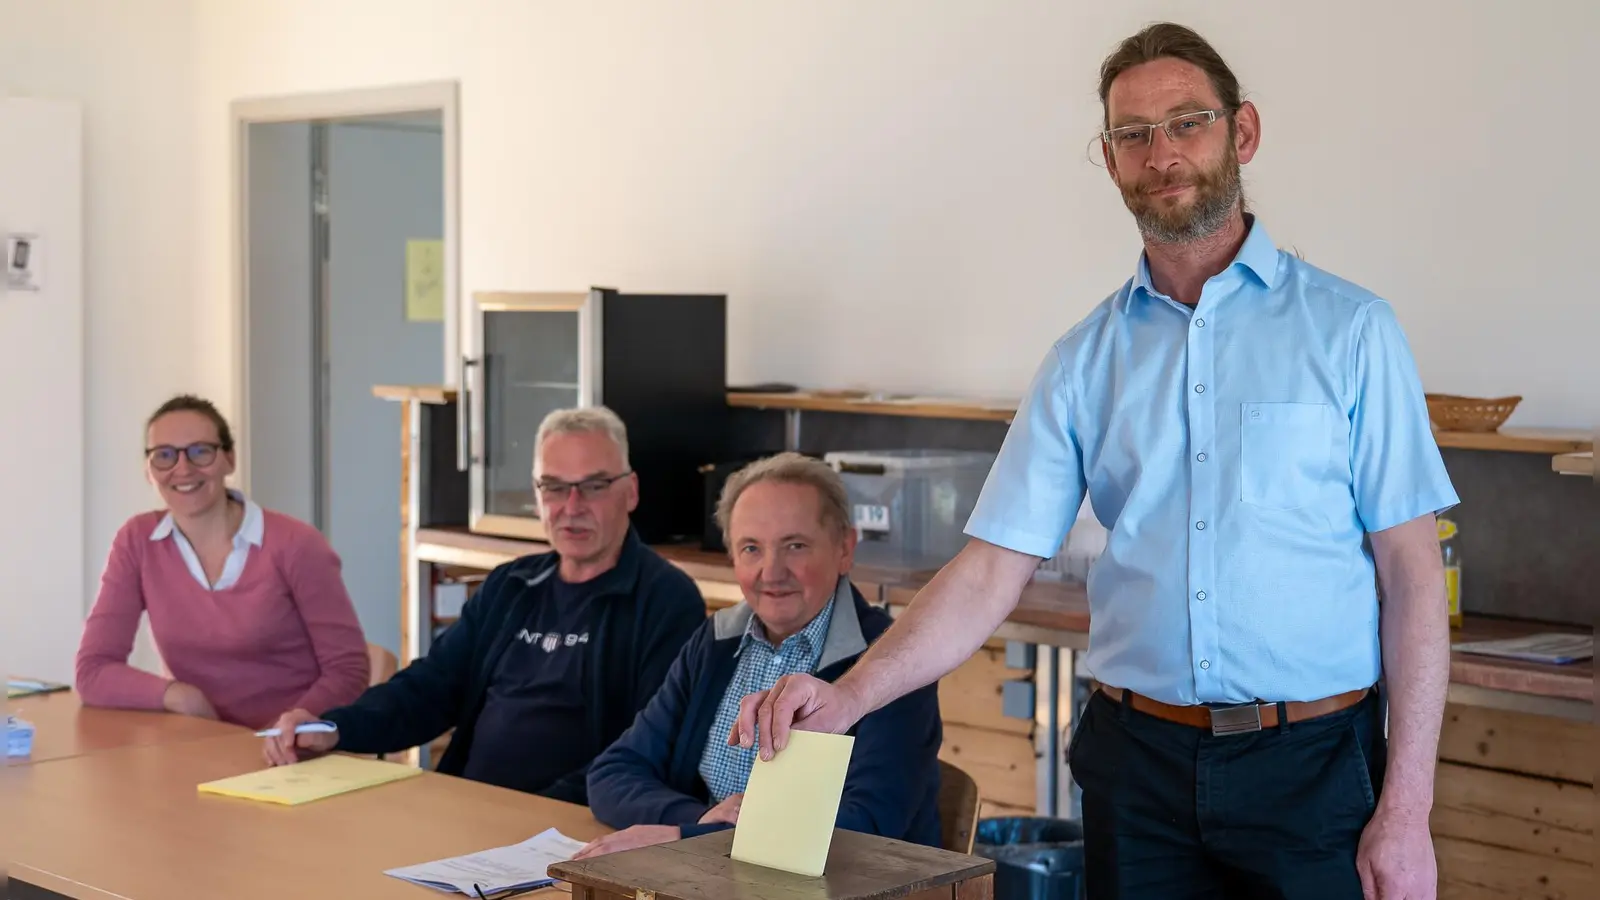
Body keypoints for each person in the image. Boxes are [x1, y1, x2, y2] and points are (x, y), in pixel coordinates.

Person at [732, 23, 1458, 900]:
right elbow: (993, 566)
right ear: (1111, 162)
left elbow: (1414, 578)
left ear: (1244, 133)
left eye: (1187, 122)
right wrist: (847, 697)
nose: (1162, 153)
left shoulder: (1352, 333)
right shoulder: (1084, 360)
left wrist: (1408, 806)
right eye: (1131, 135)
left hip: (1315, 767)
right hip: (1137, 768)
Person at [262, 406, 707, 806]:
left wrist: (530, 817)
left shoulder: (666, 600)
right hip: (467, 809)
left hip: (568, 829)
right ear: (537, 497)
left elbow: (645, 749)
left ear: (630, 492)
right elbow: (430, 689)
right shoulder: (512, 585)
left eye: (592, 486)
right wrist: (333, 728)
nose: (572, 507)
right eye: (554, 487)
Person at [572, 452, 942, 859]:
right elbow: (611, 775)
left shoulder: (893, 662)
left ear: (844, 549)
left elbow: (867, 828)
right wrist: (702, 823)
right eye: (751, 549)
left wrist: (689, 837)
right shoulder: (715, 641)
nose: (772, 571)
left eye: (795, 546)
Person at [75, 394, 369, 729]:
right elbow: (93, 670)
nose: (182, 469)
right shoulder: (137, 541)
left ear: (229, 459)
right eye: (164, 456)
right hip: (198, 745)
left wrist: (287, 729)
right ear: (148, 470)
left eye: (201, 451)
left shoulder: (296, 545)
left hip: (295, 754)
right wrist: (178, 695)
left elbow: (348, 670)